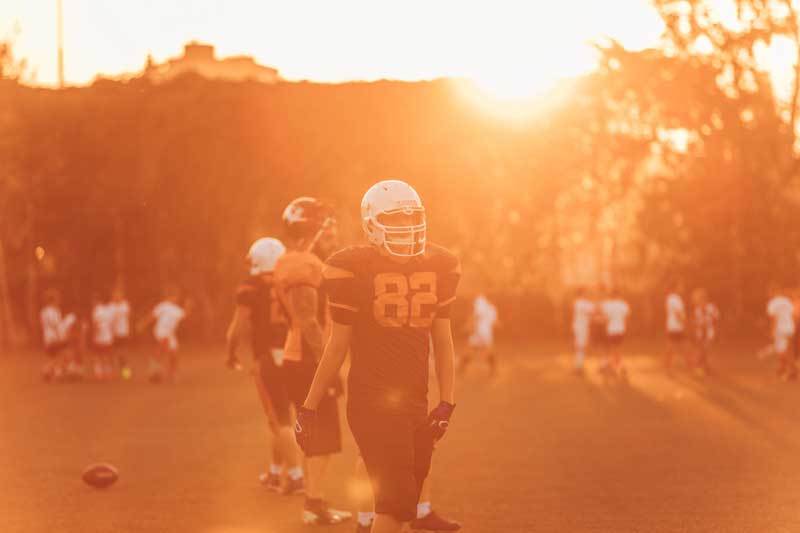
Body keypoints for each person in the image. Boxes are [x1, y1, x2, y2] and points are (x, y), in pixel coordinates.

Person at [297, 180, 461, 533]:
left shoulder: (440, 265)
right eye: (396, 220)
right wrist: (309, 406)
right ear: (372, 223)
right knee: (397, 506)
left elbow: (443, 339)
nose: (406, 228)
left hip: (415, 402)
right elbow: (337, 346)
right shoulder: (351, 268)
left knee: (404, 506)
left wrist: (447, 402)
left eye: (411, 218)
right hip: (373, 402)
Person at [274, 197, 351, 525]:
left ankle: (314, 501)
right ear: (311, 228)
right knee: (324, 438)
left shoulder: (299, 261)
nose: (331, 233)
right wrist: (328, 364)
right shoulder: (302, 263)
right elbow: (307, 320)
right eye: (325, 226)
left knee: (320, 437)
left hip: (301, 358)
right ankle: (314, 503)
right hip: (308, 359)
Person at [225, 237, 304, 493]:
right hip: (293, 353)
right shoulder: (291, 282)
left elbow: (238, 327)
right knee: (278, 417)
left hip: (268, 356)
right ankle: (274, 472)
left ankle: (295, 475)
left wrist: (231, 353)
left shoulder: (251, 286)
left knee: (279, 419)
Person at [139, 288, 189, 383]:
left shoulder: (177, 309)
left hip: (171, 334)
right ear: (168, 296)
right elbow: (152, 316)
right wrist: (143, 323)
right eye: (173, 295)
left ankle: (171, 373)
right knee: (162, 349)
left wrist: (188, 306)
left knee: (174, 354)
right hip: (161, 331)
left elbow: (185, 315)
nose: (175, 298)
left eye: (176, 296)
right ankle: (154, 370)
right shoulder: (163, 306)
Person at [39, 289, 77, 382]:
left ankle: (47, 371)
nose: (59, 301)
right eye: (58, 299)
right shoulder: (53, 311)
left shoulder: (43, 312)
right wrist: (69, 320)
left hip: (47, 338)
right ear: (53, 300)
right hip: (55, 337)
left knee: (55, 357)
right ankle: (57, 374)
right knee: (64, 355)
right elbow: (56, 325)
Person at [457, 292, 499, 377]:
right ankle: (493, 370)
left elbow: (476, 316)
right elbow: (493, 322)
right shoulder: (492, 308)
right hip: (485, 332)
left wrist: (468, 326)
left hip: (479, 331)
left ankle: (461, 369)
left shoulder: (481, 301)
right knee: (474, 350)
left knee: (473, 350)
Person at [765, 285, 795, 380]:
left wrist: (772, 330)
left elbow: (774, 318)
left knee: (782, 351)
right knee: (788, 349)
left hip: (780, 328)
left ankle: (791, 371)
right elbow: (793, 314)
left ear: (772, 292)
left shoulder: (772, 303)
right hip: (790, 327)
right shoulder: (787, 301)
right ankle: (782, 369)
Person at [600, 288, 630, 378]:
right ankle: (620, 366)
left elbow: (605, 318)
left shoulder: (607, 305)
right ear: (619, 295)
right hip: (621, 329)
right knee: (619, 348)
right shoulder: (623, 305)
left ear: (611, 296)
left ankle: (615, 367)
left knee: (612, 348)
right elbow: (627, 317)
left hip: (611, 329)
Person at [691, 288, 719, 377]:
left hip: (709, 331)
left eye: (699, 299)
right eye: (697, 299)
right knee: (702, 350)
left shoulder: (711, 307)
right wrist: (697, 323)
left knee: (705, 349)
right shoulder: (697, 309)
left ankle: (702, 366)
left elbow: (716, 318)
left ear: (704, 298)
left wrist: (709, 317)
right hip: (700, 332)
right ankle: (700, 366)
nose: (697, 301)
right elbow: (697, 321)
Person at [664, 282, 689, 373]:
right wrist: (685, 324)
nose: (682, 287)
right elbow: (678, 313)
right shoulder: (676, 299)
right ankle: (690, 367)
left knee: (673, 347)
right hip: (677, 327)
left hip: (672, 326)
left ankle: (668, 367)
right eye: (681, 286)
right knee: (684, 346)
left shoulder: (670, 298)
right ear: (676, 287)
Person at [91, 291, 116, 381]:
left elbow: (95, 324)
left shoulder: (97, 309)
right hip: (108, 336)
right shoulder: (110, 310)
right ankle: (108, 374)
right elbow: (112, 324)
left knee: (98, 356)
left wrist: (93, 335)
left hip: (99, 335)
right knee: (107, 356)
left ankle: (99, 374)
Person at [110, 287, 132, 379]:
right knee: (112, 354)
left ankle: (126, 373)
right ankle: (112, 373)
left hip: (123, 332)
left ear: (122, 296)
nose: (116, 296)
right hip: (112, 333)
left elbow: (126, 315)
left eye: (118, 294)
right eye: (115, 294)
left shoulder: (125, 305)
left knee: (123, 354)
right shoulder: (111, 305)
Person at [571, 287, 595, 375]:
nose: (588, 294)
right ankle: (579, 367)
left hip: (584, 327)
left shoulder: (586, 303)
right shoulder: (579, 303)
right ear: (581, 293)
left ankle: (579, 366)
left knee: (582, 346)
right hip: (580, 327)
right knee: (580, 346)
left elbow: (593, 311)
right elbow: (591, 311)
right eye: (586, 292)